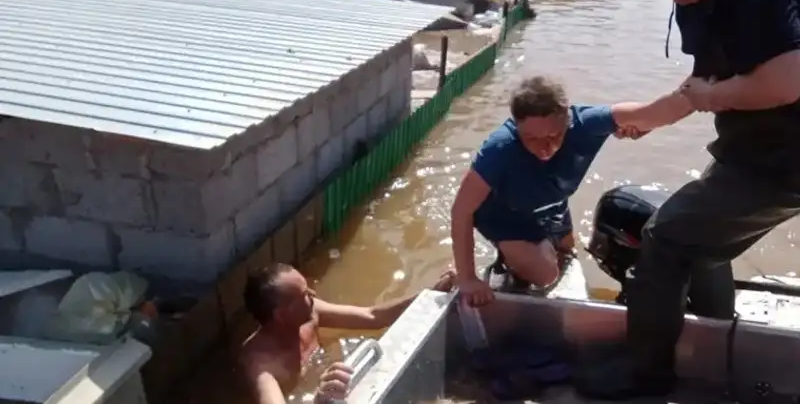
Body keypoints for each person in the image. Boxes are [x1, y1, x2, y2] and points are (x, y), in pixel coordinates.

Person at [575, 0, 800, 400]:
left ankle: (647, 376)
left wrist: (713, 96)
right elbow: (698, 87)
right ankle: (714, 331)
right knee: (697, 237)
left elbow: (788, 80)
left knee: (668, 237)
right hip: (751, 153)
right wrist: (647, 120)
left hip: (784, 163)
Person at [451, 76, 695, 307]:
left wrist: (713, 83)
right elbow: (461, 211)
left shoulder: (586, 124)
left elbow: (663, 111)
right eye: (531, 138)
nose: (544, 147)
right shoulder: (499, 149)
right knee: (546, 274)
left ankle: (532, 253)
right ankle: (476, 271)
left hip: (551, 205)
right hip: (506, 217)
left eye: (554, 135)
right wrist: (468, 278)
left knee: (568, 255)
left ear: (567, 119)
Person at [239, 263, 456, 404]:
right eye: (304, 294)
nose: (313, 294)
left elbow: (373, 317)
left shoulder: (311, 312)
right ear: (281, 315)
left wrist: (428, 294)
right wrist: (319, 401)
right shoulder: (260, 364)